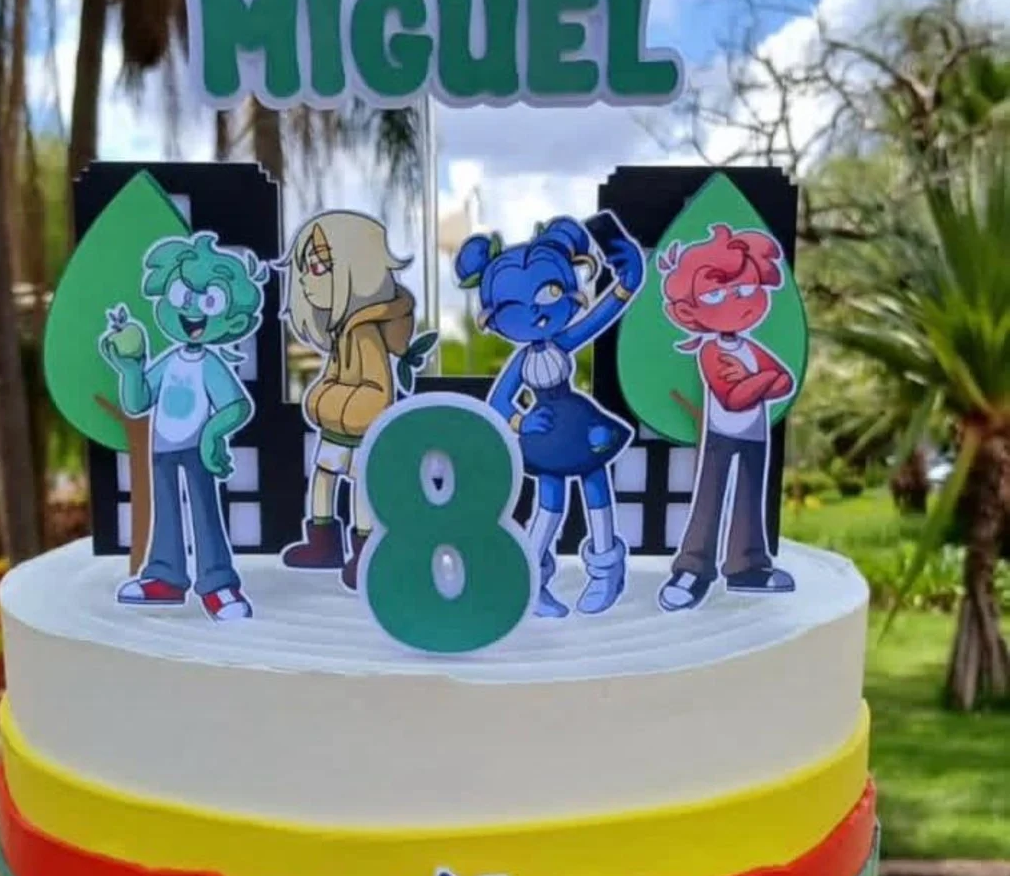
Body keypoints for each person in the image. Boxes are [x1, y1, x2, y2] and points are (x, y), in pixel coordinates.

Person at [455, 213, 645, 617]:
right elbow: (499, 403)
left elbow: (600, 316)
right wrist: (521, 422)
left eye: (551, 293)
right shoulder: (521, 362)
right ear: (496, 317)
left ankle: (606, 571)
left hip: (582, 426)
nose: (537, 314)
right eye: (515, 307)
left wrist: (628, 280)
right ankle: (530, 581)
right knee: (550, 500)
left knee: (596, 486)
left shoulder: (564, 339)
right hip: (544, 436)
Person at [99, 232, 266, 621]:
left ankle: (218, 584)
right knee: (166, 511)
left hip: (195, 450)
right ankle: (165, 576)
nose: (193, 312)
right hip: (162, 449)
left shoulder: (209, 363)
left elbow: (237, 405)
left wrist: (212, 433)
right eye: (183, 297)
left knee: (206, 513)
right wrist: (130, 368)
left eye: (209, 302)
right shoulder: (170, 360)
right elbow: (138, 402)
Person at [655, 223, 797, 613]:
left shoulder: (750, 348)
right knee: (710, 498)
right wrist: (762, 381)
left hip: (755, 434)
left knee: (751, 499)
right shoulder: (710, 351)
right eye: (716, 294)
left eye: (748, 290)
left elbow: (785, 382)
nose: (737, 302)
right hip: (721, 433)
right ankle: (693, 570)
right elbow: (733, 398)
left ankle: (747, 566)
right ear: (689, 310)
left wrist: (756, 380)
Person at [278, 211, 422, 591]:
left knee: (361, 488)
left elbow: (377, 390)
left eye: (318, 267)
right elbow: (332, 377)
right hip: (337, 427)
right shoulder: (343, 330)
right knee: (324, 477)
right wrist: (323, 398)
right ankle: (322, 543)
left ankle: (365, 551)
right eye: (305, 268)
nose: (306, 279)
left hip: (360, 430)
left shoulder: (364, 334)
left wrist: (334, 403)